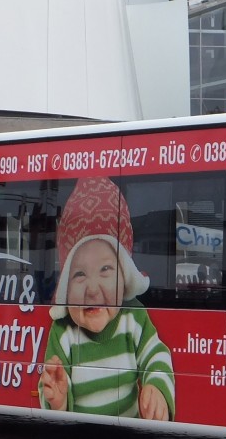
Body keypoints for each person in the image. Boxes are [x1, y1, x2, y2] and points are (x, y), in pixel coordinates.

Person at [38, 176, 176, 420]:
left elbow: (157, 356)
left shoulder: (134, 317)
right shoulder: (63, 332)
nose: (92, 289)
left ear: (125, 277)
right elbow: (52, 382)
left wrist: (158, 388)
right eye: (79, 274)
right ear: (66, 287)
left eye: (105, 270)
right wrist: (56, 399)